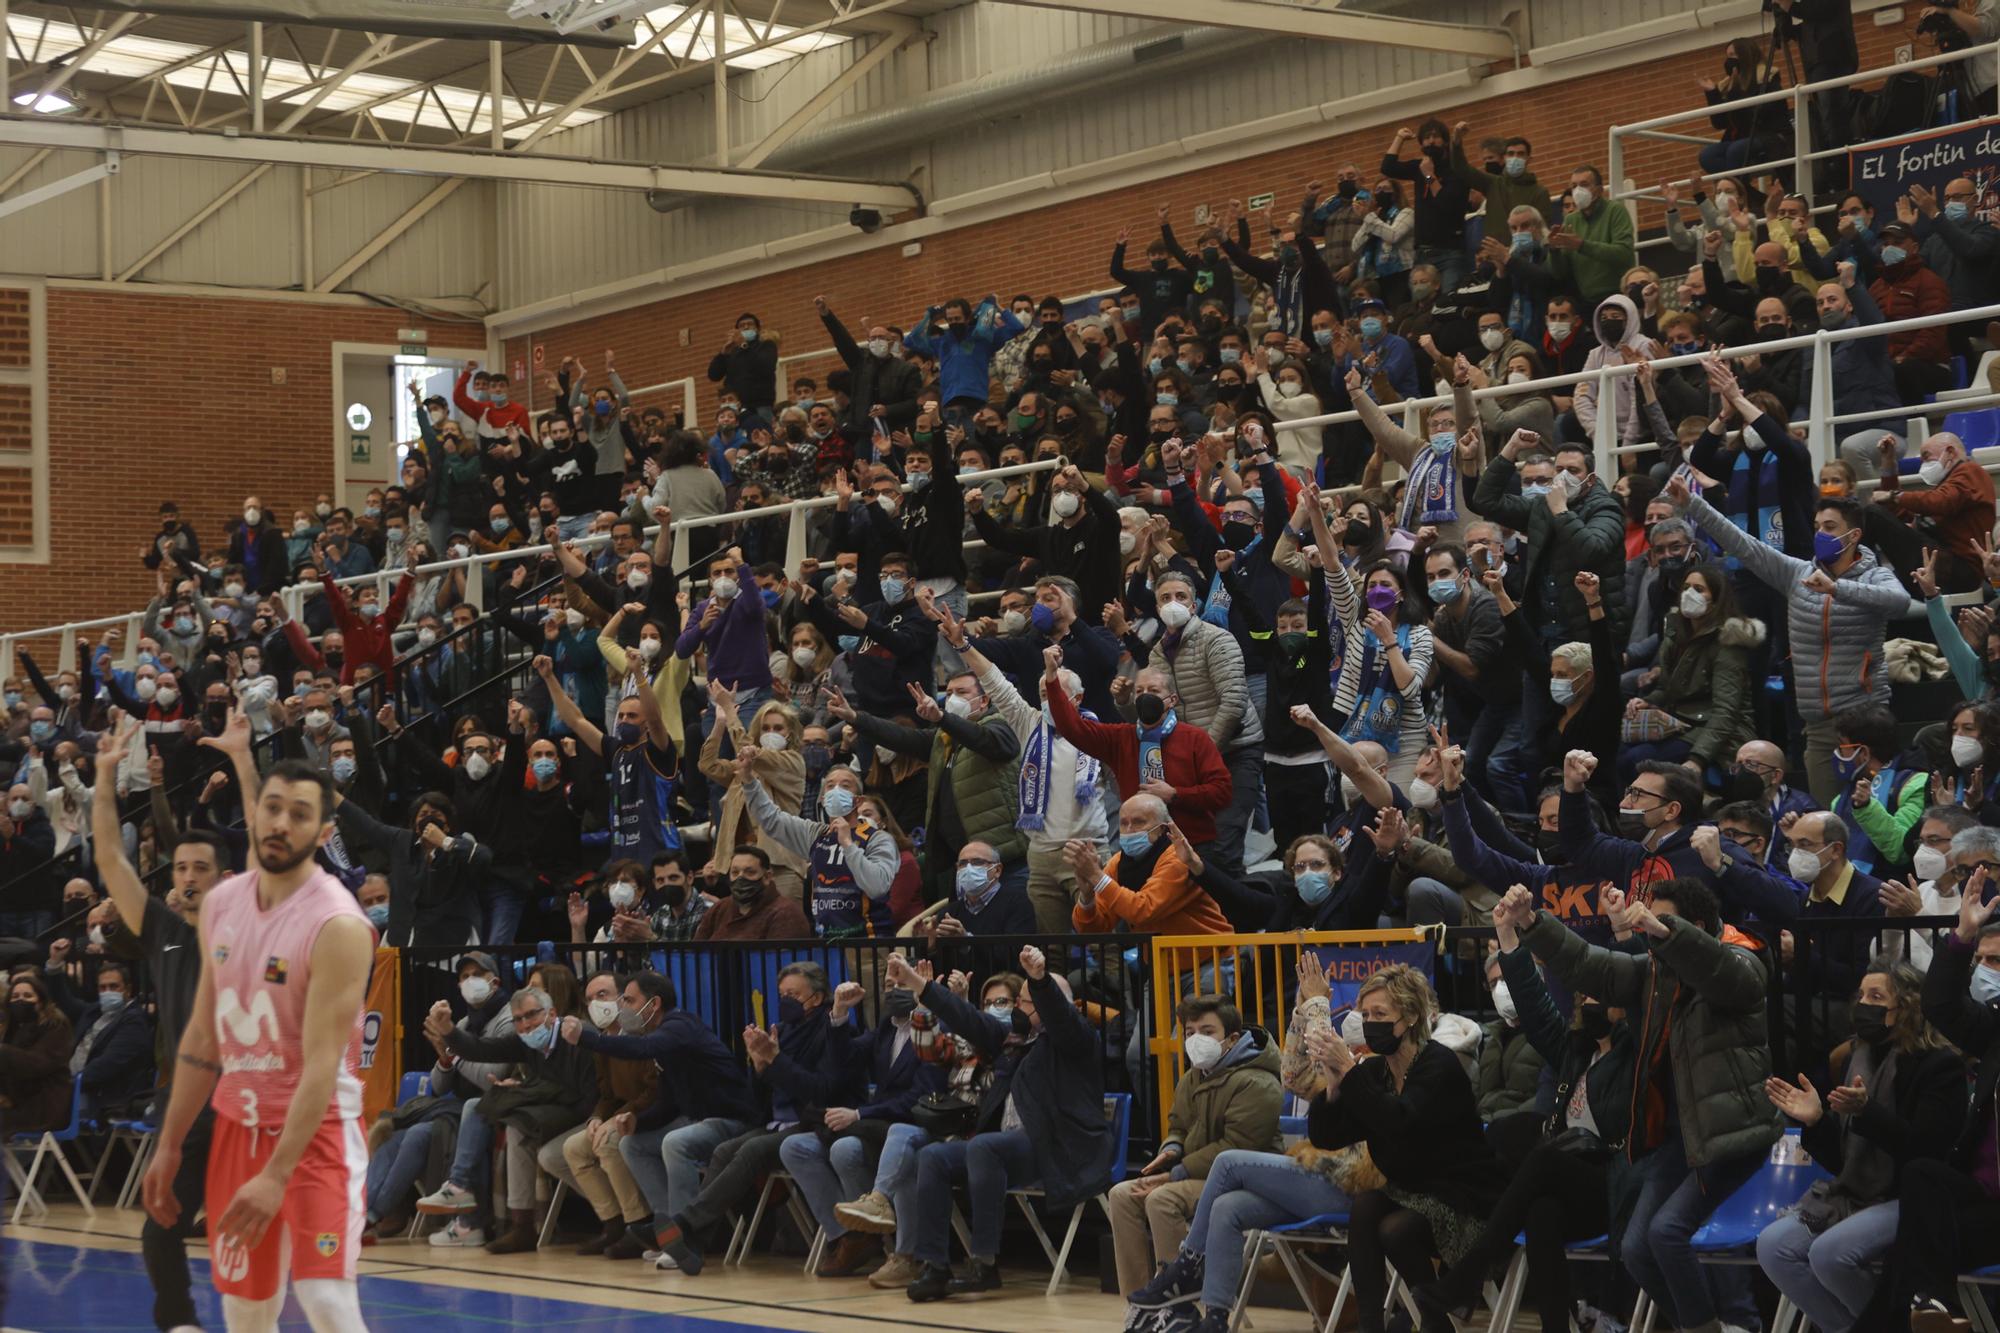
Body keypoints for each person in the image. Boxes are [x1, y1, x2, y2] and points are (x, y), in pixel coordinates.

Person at [140, 719, 377, 1333]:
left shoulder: (339, 926)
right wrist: (169, 1144)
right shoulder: (220, 903)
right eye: (272, 808)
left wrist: (276, 1176)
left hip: (317, 1134)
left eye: (299, 814)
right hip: (235, 1131)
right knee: (246, 1312)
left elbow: (322, 1066)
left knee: (325, 1302)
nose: (280, 823)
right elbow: (201, 1038)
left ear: (324, 831)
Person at [1512, 870, 1780, 1333]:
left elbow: (1727, 978)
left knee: (1665, 1232)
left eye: (1663, 922)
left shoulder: (1744, 955)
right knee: (1635, 1249)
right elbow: (1591, 964)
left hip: (1729, 1134)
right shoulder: (1655, 970)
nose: (1650, 929)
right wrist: (1534, 923)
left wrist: (1666, 933)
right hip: (1674, 1135)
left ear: (1694, 925)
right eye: (1650, 922)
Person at [1415, 884, 1639, 1332]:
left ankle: (1470, 1270)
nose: (1589, 1002)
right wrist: (1507, 936)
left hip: (1619, 1181)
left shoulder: (1639, 1052)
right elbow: (1536, 1011)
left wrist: (1623, 932)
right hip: (1574, 1183)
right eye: (1585, 996)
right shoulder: (1575, 1050)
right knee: (1540, 1210)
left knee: (1543, 1156)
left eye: (1600, 996)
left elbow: (1645, 983)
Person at [91, 723, 229, 1333]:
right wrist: (103, 777)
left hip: (254, 1104)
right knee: (160, 1224)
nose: (189, 877)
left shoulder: (250, 936)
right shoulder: (162, 932)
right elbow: (106, 858)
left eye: (202, 867)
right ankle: (181, 1324)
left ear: (226, 878)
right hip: (189, 1108)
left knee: (266, 1229)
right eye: (180, 869)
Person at [1673, 476, 1912, 805]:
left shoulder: (1875, 576)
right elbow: (1743, 544)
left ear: (1854, 535)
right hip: (1817, 725)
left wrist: (1836, 589)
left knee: (1873, 814)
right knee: (1825, 815)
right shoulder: (1796, 573)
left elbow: (1899, 603)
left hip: (1865, 722)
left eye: (1830, 527)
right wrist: (1692, 504)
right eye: (1817, 527)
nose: (1820, 535)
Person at [1757, 957, 1965, 1333]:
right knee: (1772, 1246)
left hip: (1911, 1198)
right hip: (1854, 1195)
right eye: (1861, 996)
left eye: (1877, 996)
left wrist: (1869, 1113)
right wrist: (1817, 1122)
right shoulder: (1859, 1058)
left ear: (1907, 1007)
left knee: (1830, 1253)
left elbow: (1927, 1151)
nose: (1864, 1005)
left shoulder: (1939, 1066)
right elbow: (1843, 1162)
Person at [891, 944, 1106, 1301]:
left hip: (1058, 1147)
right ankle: (935, 1264)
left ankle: (985, 1262)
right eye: (1020, 998)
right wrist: (918, 984)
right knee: (933, 1156)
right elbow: (967, 1018)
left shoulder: (1077, 1041)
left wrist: (1040, 980)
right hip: (1007, 1149)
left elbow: (1061, 1017)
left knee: (983, 1145)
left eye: (1025, 1001)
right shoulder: (1012, 1042)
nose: (1018, 1007)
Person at [1105, 995, 1282, 1298]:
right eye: (1190, 1032)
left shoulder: (1258, 1082)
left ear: (1232, 1038)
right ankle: (1138, 1303)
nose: (1197, 1039)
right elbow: (1178, 1126)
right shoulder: (1192, 1078)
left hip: (1248, 1180)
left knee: (1162, 1199)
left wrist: (1175, 1174)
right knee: (1121, 1194)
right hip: (1198, 1175)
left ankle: (1176, 1302)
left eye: (1207, 1031)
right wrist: (1171, 1148)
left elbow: (1235, 1148)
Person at [779, 976, 943, 1277]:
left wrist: (859, 1114)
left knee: (846, 1148)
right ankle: (850, 1236)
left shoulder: (933, 1030)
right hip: (876, 1124)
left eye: (900, 983)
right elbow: (846, 1061)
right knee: (795, 1147)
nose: (892, 989)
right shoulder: (886, 1026)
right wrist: (840, 1013)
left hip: (909, 1123)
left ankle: (878, 1230)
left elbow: (919, 1097)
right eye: (888, 983)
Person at [1894, 878, 2000, 1325]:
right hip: (1987, 1199)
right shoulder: (1995, 1028)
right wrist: (1961, 940)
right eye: (1982, 960)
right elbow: (1941, 1005)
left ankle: (1930, 1306)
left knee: (1916, 1248)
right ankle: (1938, 1307)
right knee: (1923, 1179)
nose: (1984, 969)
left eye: (1995, 961)